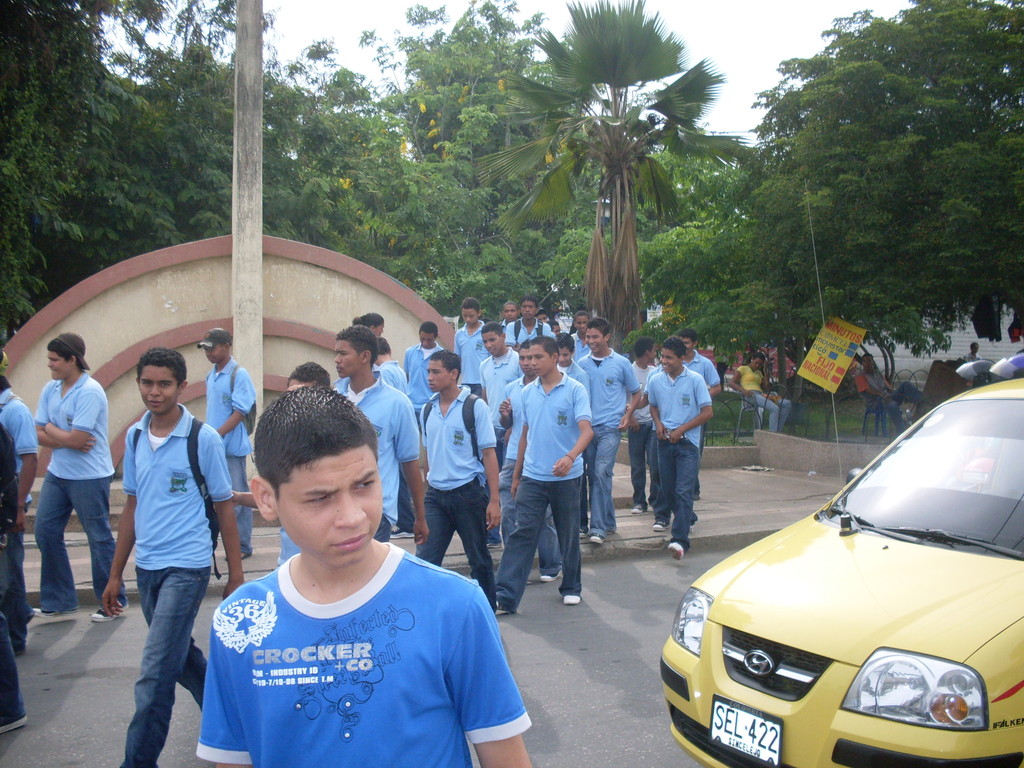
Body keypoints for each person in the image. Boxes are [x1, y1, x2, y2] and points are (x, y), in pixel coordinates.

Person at [198, 387, 532, 768]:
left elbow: (505, 756)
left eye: (364, 485)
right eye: (320, 498)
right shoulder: (240, 621)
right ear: (266, 498)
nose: (352, 516)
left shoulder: (454, 606)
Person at [103, 347, 244, 768]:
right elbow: (131, 506)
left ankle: (138, 762)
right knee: (181, 660)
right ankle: (237, 725)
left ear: (182, 387)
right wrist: (114, 576)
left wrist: (236, 575)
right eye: (147, 382)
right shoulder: (133, 436)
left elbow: (224, 506)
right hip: (147, 568)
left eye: (164, 383)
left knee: (154, 674)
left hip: (188, 566)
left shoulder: (204, 439)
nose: (154, 391)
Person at [495, 336, 592, 614]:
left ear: (554, 358)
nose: (532, 363)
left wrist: (569, 457)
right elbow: (525, 433)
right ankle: (506, 595)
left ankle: (571, 587)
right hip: (533, 478)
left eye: (538, 357)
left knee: (568, 533)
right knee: (522, 533)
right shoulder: (526, 393)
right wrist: (516, 475)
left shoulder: (574, 390)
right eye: (528, 358)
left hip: (566, 476)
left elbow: (587, 431)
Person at [33, 332, 126, 622]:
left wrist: (52, 431)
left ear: (72, 359)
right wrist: (61, 435)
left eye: (54, 359)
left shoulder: (90, 391)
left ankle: (113, 600)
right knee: (45, 532)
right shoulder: (51, 389)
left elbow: (78, 440)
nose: (49, 364)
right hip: (58, 473)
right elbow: (39, 433)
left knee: (98, 538)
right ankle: (58, 599)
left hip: (89, 476)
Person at [416, 351, 500, 608]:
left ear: (453, 374)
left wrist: (494, 501)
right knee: (426, 560)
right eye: (428, 371)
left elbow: (488, 454)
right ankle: (426, 611)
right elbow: (428, 453)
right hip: (436, 497)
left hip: (468, 494)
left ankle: (487, 607)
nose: (430, 377)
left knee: (478, 558)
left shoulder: (474, 406)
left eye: (436, 372)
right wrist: (425, 492)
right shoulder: (428, 409)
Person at [334, 325, 427, 545]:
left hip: (375, 512)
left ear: (365, 356)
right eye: (336, 353)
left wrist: (421, 517)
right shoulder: (332, 397)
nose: (337, 359)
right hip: (336, 509)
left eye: (343, 353)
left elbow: (410, 464)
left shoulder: (397, 403)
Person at [498, 340, 562, 582]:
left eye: (532, 358)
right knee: (509, 511)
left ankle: (550, 564)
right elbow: (509, 426)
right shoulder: (513, 389)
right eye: (523, 359)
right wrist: (505, 415)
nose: (528, 363)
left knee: (543, 516)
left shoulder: (555, 387)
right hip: (513, 456)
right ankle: (513, 565)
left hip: (540, 459)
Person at [647, 337, 713, 560]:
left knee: (684, 490)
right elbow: (653, 405)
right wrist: (657, 423)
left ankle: (679, 540)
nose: (664, 361)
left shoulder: (694, 380)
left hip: (687, 444)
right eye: (662, 356)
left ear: (681, 358)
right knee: (667, 489)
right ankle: (688, 518)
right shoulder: (656, 380)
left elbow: (707, 412)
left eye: (669, 357)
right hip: (664, 442)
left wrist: (682, 430)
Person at [577, 317, 642, 544]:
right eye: (588, 336)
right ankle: (609, 521)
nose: (591, 341)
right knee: (594, 477)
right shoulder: (581, 363)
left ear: (607, 337)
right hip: (587, 429)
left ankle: (597, 528)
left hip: (610, 428)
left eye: (595, 336)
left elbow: (636, 392)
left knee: (601, 473)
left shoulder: (622, 363)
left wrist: (628, 414)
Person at [198, 328, 257, 559]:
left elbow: (239, 411)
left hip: (231, 448)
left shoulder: (238, 374)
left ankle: (243, 546)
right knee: (214, 497)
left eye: (213, 348)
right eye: (206, 349)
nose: (209, 353)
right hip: (214, 447)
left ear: (226, 346)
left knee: (238, 497)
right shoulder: (211, 375)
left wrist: (216, 434)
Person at [0, 351, 37, 654]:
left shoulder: (14, 411)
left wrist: (20, 507)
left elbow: (29, 460)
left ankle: (14, 637)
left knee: (9, 576)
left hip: (9, 505)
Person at [479, 322, 522, 547]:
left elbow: (522, 394)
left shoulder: (518, 361)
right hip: (491, 431)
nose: (489, 345)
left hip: (512, 432)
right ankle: (492, 535)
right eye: (485, 341)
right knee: (490, 483)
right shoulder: (484, 365)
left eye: (492, 340)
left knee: (510, 485)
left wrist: (513, 426)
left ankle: (514, 536)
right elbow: (485, 400)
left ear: (503, 337)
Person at [678, 329, 722, 501]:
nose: (684, 346)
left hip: (697, 416)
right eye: (681, 343)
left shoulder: (704, 364)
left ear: (694, 344)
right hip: (678, 415)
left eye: (687, 343)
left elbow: (717, 386)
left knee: (694, 451)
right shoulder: (675, 361)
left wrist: (702, 398)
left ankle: (693, 488)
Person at [627, 337, 660, 516]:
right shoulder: (629, 371)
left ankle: (655, 499)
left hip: (652, 424)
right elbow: (624, 397)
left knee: (654, 464)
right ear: (647, 352)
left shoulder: (655, 372)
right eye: (653, 350)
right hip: (636, 426)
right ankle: (639, 501)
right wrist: (630, 417)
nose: (655, 354)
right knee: (637, 466)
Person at [856, 353, 923, 430]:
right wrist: (882, 395)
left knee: (905, 384)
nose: (867, 364)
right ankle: (901, 430)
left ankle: (921, 401)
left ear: (872, 362)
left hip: (887, 396)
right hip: (876, 401)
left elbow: (888, 387)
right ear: (862, 363)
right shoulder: (860, 376)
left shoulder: (877, 373)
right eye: (865, 361)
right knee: (893, 405)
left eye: (869, 361)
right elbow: (868, 390)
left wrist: (896, 393)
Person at [731, 351, 792, 433]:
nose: (757, 366)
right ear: (752, 359)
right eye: (756, 363)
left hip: (761, 394)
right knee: (774, 409)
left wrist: (765, 370)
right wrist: (744, 391)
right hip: (750, 395)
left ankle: (778, 431)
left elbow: (767, 386)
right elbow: (731, 382)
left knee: (787, 404)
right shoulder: (743, 369)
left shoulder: (759, 372)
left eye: (760, 364)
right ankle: (773, 435)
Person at [403, 321, 441, 413]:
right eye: (422, 339)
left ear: (436, 337)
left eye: (429, 340)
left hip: (431, 406)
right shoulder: (410, 352)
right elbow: (407, 376)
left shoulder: (442, 356)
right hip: (411, 404)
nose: (425, 343)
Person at [454, 298, 488, 396]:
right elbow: (457, 359)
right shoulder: (459, 334)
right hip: (465, 382)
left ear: (479, 313)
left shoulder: (486, 332)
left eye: (471, 316)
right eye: (465, 316)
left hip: (483, 381)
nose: (468, 319)